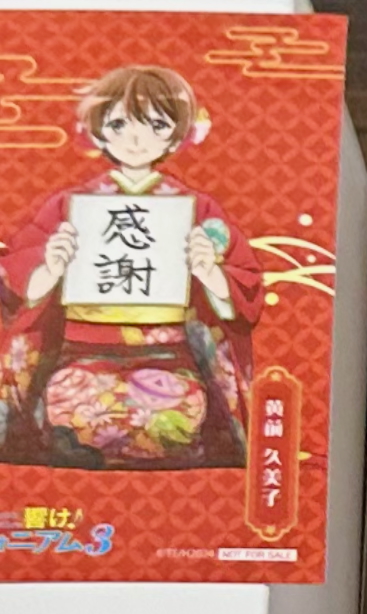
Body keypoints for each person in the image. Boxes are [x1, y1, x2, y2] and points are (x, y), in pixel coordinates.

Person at [0, 62, 258, 467]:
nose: (137, 139)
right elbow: (17, 278)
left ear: (179, 133)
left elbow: (244, 283)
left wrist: (211, 274)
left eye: (156, 125)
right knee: (73, 404)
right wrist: (49, 267)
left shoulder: (198, 209)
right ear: (97, 130)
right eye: (119, 125)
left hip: (168, 358)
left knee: (174, 413)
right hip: (82, 355)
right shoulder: (68, 206)